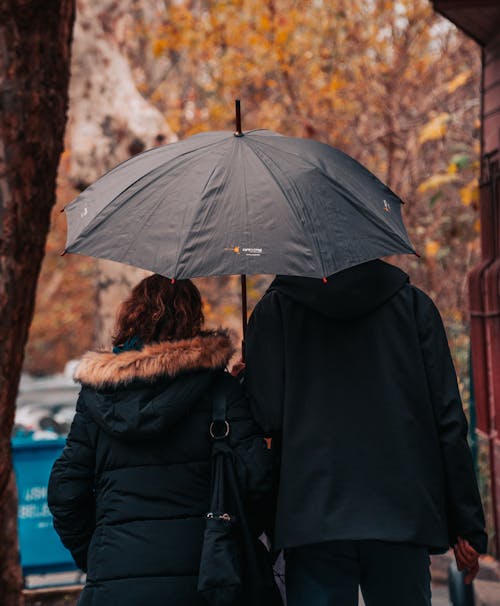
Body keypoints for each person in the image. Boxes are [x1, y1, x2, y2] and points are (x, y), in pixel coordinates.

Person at [244, 258, 487, 606]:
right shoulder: (413, 306)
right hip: (401, 513)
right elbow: (448, 420)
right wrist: (467, 524)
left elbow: (266, 417)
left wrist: (248, 375)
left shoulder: (276, 309)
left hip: (311, 515)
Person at [48, 274, 273, 606]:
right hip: (208, 578)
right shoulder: (218, 391)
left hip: (115, 580)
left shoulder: (97, 397)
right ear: (192, 317)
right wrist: (231, 538)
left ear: (130, 317)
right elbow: (260, 478)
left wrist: (97, 554)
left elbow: (65, 491)